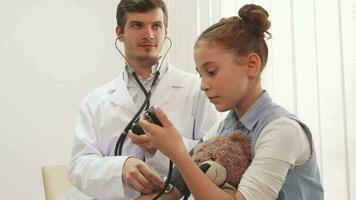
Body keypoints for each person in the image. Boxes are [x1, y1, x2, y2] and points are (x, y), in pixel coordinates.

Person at [138, 4, 324, 200]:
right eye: (200, 75)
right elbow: (175, 189)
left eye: (211, 72)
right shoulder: (221, 130)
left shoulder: (283, 131)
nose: (203, 85)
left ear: (252, 65)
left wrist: (178, 153)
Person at [66, 0, 219, 199]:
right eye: (137, 25)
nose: (149, 34)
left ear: (166, 31)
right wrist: (120, 168)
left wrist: (162, 148)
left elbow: (213, 155)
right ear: (119, 32)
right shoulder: (95, 102)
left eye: (156, 25)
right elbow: (78, 166)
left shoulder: (196, 89)